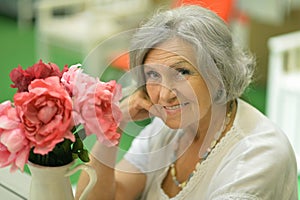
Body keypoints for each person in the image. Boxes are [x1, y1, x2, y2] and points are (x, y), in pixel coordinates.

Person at [75, 5, 298, 200]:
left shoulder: (257, 157)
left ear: (219, 75)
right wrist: (117, 123)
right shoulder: (168, 128)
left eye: (182, 72)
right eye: (153, 74)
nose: (163, 95)